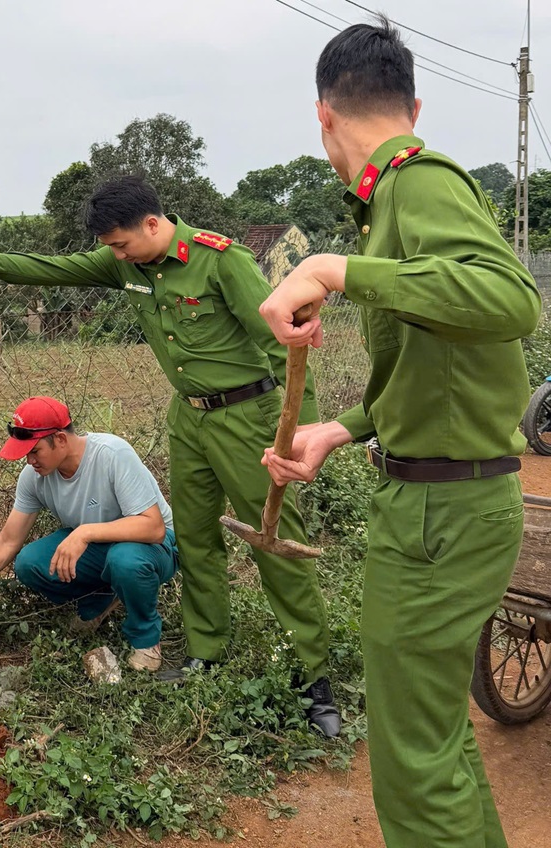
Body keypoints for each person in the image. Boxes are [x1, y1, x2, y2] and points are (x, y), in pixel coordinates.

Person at [257, 19, 541, 848]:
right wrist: (339, 430)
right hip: (436, 503)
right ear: (411, 101)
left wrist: (334, 270)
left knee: (413, 760)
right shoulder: (394, 205)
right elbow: (433, 369)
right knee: (432, 739)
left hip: (440, 518)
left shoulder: (417, 186)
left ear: (323, 117)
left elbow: (509, 300)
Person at [0, 177, 340, 736]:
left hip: (249, 418)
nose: (114, 255)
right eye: (110, 248)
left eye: (121, 243)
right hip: (190, 420)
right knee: (198, 539)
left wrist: (303, 433)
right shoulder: (127, 264)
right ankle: (206, 651)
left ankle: (313, 678)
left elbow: (284, 343)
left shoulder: (222, 262)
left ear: (153, 223)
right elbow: (60, 268)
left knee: (272, 540)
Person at [0, 396, 178, 671]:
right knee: (29, 563)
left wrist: (84, 533)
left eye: (35, 451)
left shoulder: (111, 454)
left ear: (61, 440)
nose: (29, 460)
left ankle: (145, 639)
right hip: (102, 547)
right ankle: (99, 601)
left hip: (152, 546)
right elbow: (8, 542)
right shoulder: (34, 477)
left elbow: (153, 527)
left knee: (125, 560)